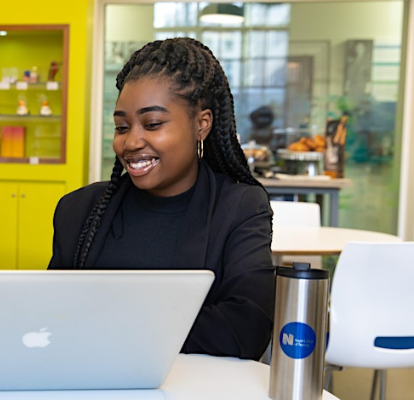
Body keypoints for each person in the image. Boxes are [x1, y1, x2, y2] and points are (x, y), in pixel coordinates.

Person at [48, 37, 274, 360]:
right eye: (122, 126)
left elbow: (245, 329)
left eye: (152, 124)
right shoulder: (79, 210)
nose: (131, 142)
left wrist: (106, 316)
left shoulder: (239, 209)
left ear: (202, 124)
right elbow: (51, 316)